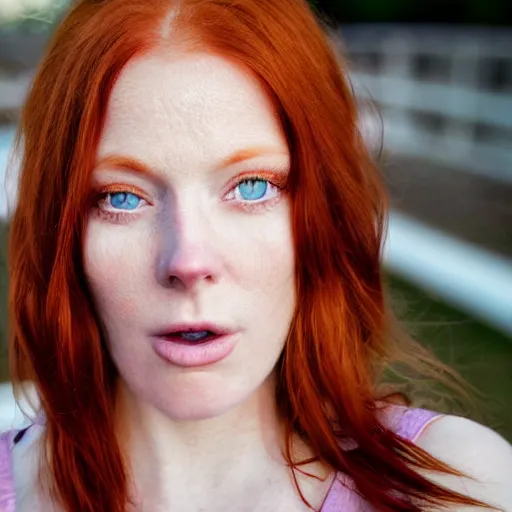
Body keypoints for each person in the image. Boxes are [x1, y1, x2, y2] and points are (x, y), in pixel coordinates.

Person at [1, 0, 511, 511]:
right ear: (61, 231)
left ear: (322, 215)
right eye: (121, 197)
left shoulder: (463, 489)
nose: (189, 260)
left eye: (251, 187)